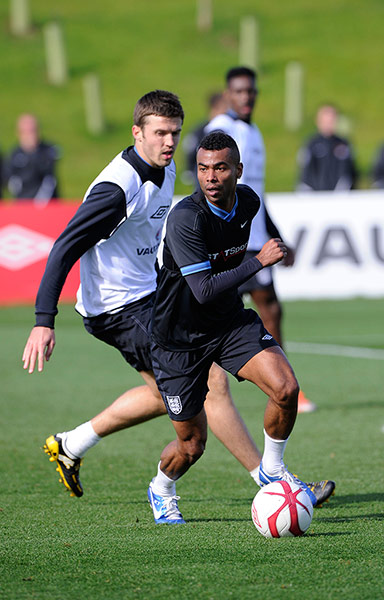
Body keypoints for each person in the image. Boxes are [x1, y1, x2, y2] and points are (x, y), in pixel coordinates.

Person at [22, 90, 333, 508]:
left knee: (163, 393)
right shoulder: (118, 188)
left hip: (151, 296)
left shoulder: (165, 170)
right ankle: (274, 485)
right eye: (160, 133)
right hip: (116, 308)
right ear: (138, 133)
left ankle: (71, 444)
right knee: (210, 382)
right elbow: (64, 246)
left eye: (175, 132)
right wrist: (44, 319)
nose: (169, 142)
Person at [148, 132, 329, 524]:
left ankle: (274, 471)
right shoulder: (186, 219)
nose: (210, 177)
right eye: (202, 168)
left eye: (220, 168)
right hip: (179, 339)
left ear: (238, 171)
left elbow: (221, 286)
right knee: (192, 444)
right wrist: (258, 262)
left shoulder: (248, 202)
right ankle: (161, 488)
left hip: (228, 323)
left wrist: (252, 263)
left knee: (286, 389)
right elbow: (203, 288)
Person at [204, 66, 316, 414]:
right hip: (231, 242)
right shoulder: (220, 130)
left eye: (251, 91)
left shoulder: (253, 133)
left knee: (270, 307)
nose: (246, 97)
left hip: (256, 239)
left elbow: (256, 196)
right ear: (228, 94)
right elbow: (208, 186)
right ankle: (206, 390)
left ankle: (284, 386)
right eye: (239, 91)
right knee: (212, 315)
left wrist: (277, 236)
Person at [297, 103, 358, 191]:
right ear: (318, 121)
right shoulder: (311, 144)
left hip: (340, 198)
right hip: (316, 197)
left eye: (331, 120)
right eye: (325, 121)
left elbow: (350, 172)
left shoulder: (343, 144)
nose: (329, 124)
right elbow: (305, 173)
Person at [4, 113, 60, 203]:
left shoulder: (47, 151)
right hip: (23, 205)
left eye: (32, 131)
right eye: (26, 132)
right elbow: (11, 181)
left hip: (47, 205)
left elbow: (49, 180)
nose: (30, 135)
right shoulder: (14, 155)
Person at [181, 91, 227, 185]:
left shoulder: (229, 127)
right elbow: (190, 149)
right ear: (216, 108)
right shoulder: (202, 130)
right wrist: (190, 169)